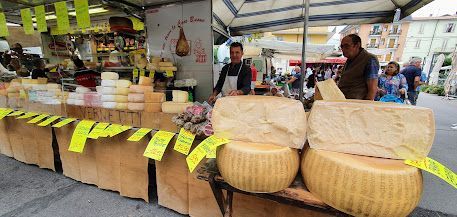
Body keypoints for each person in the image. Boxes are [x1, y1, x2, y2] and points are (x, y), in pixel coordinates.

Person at [338, 34, 379, 100]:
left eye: (346, 46)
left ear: (357, 45)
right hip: (345, 102)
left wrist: (365, 106)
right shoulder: (350, 59)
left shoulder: (369, 59)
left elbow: (372, 89)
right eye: (342, 46)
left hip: (356, 104)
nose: (343, 49)